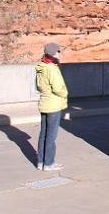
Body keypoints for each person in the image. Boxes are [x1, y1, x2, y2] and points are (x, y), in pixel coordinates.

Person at [36, 42, 68, 171]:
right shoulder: (52, 68)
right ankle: (49, 163)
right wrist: (65, 93)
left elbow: (38, 86)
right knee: (51, 135)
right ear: (54, 52)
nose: (60, 53)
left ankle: (41, 161)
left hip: (44, 102)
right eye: (58, 51)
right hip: (53, 104)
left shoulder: (41, 67)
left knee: (43, 134)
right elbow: (58, 87)